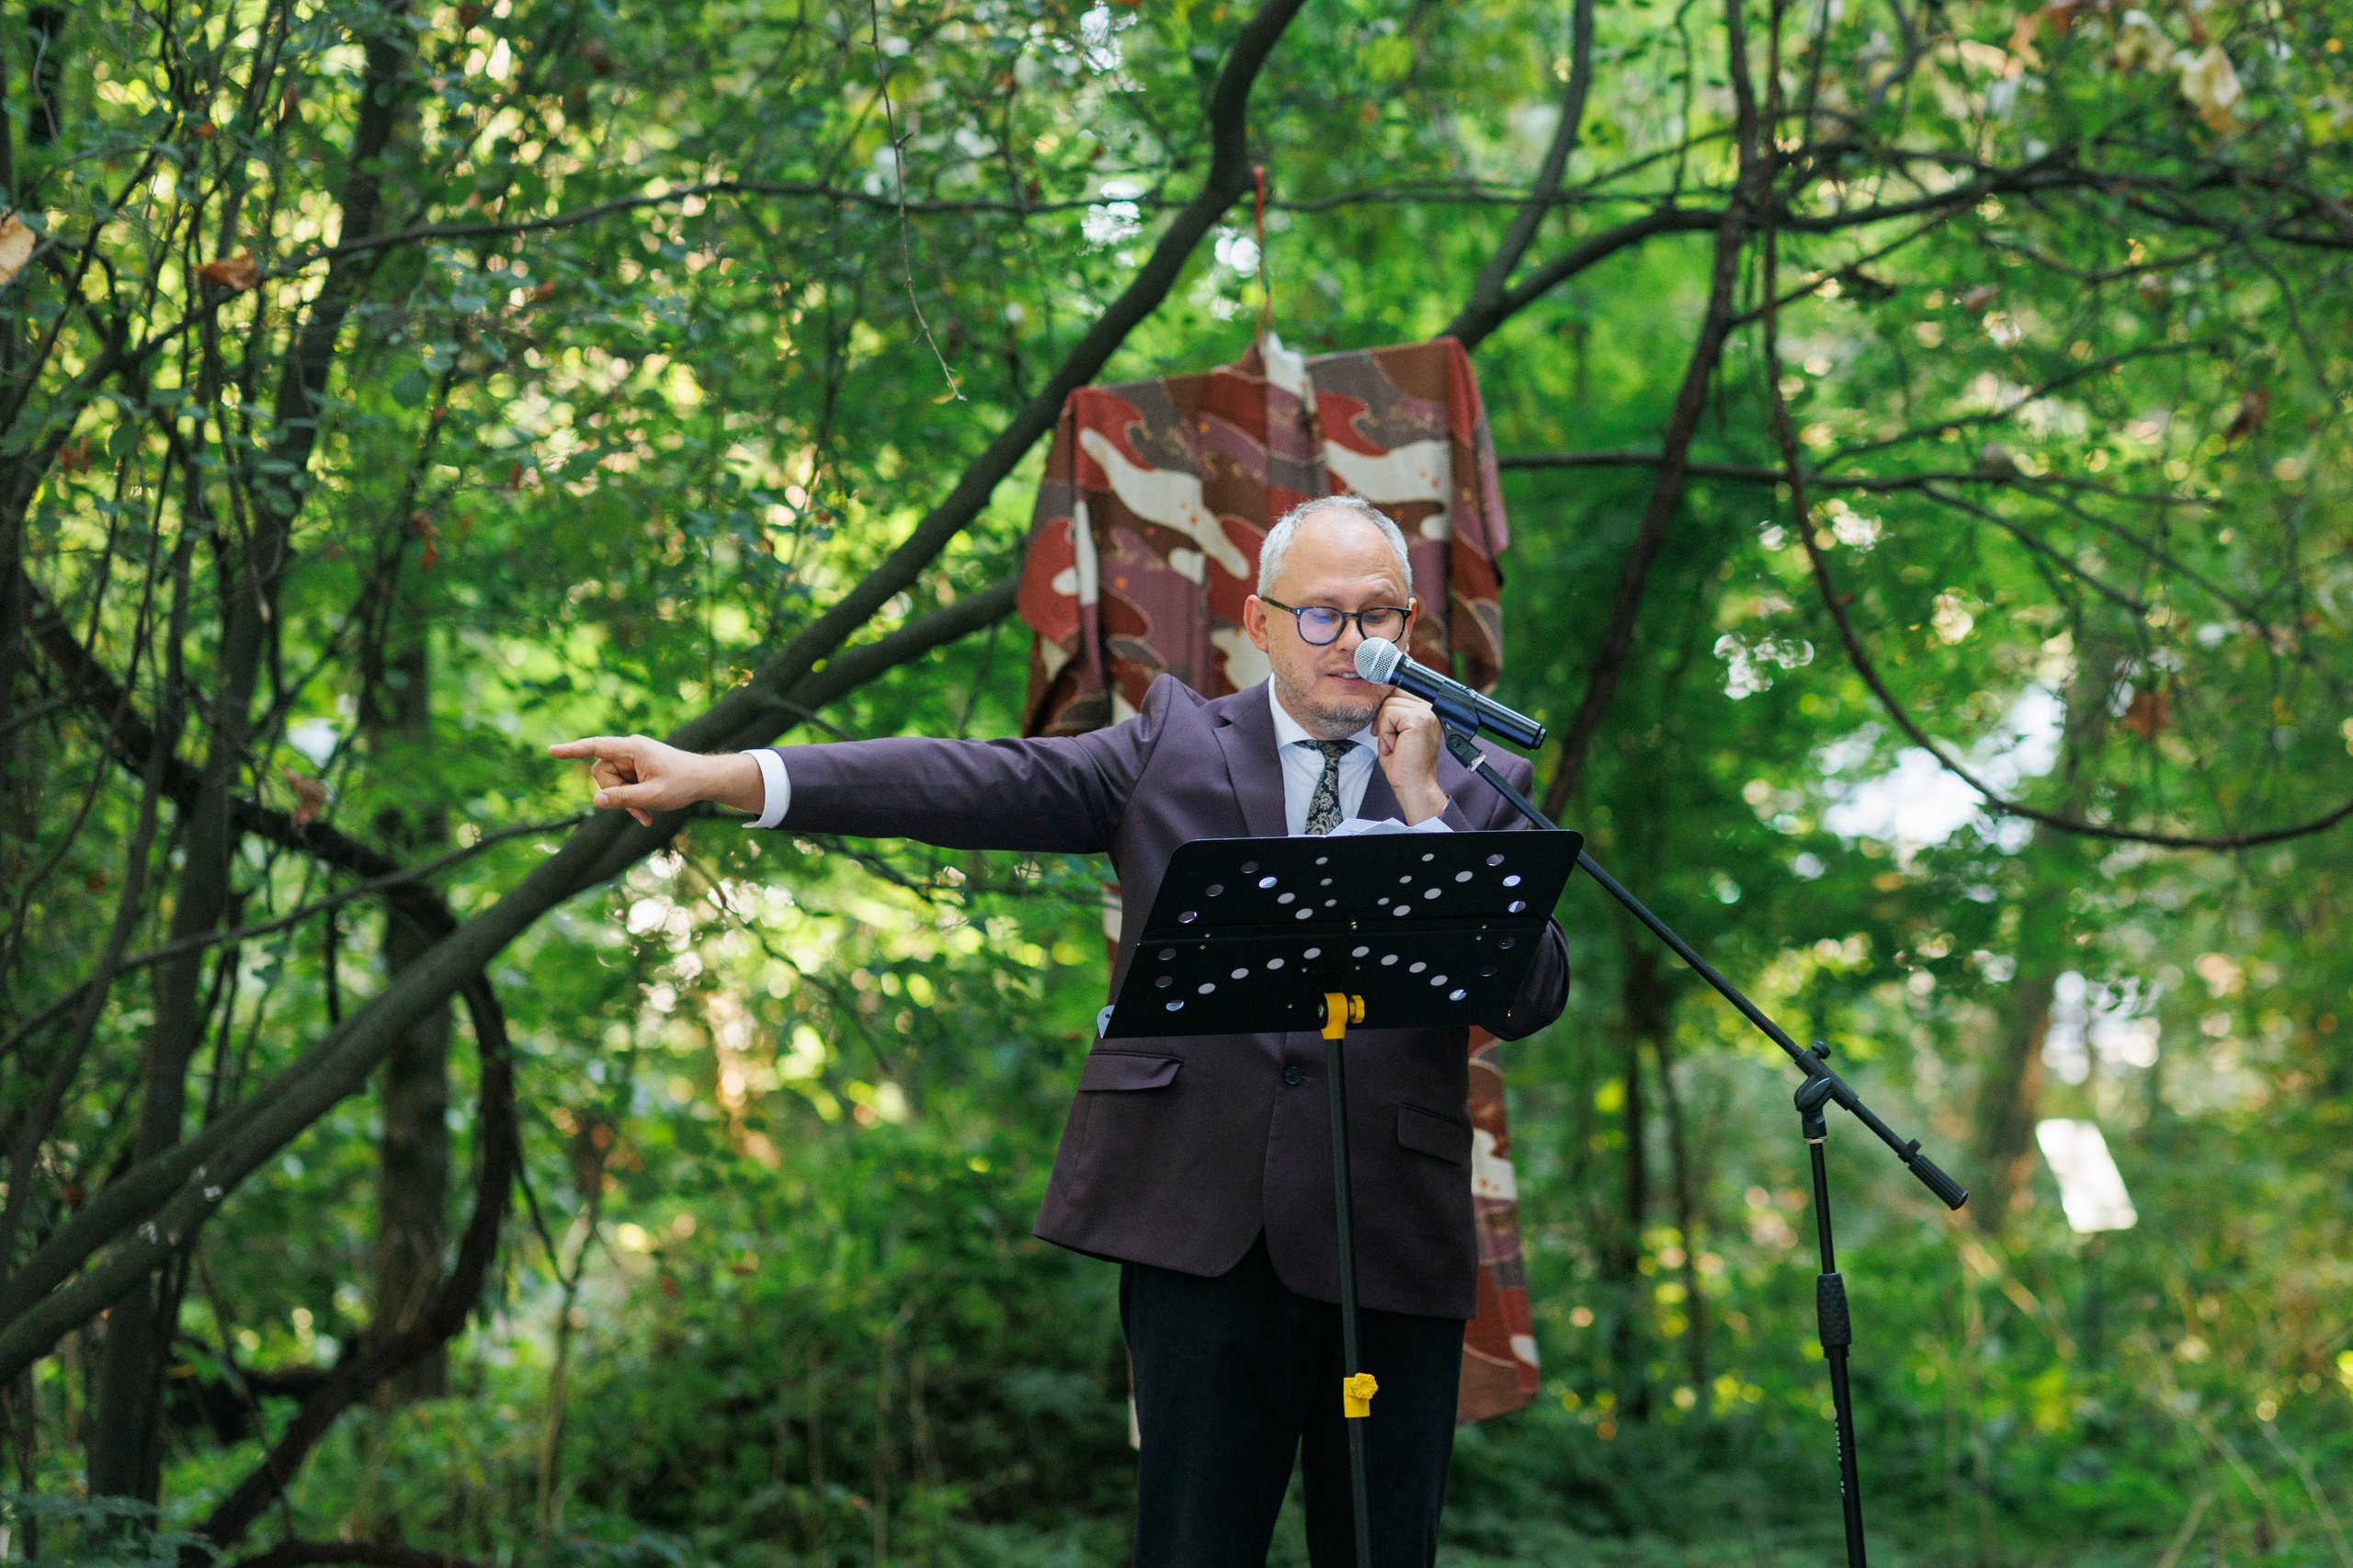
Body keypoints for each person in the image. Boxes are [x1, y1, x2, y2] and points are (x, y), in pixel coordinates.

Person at [551, 494, 1570, 1566]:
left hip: (1392, 1243)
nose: (1353, 642)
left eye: (1378, 613)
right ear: (1259, 620)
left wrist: (1424, 810)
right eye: (1319, 614)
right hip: (1200, 1230)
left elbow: (1533, 993)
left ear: (1411, 628)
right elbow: (963, 779)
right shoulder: (1171, 745)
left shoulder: (1476, 783)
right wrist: (720, 775)